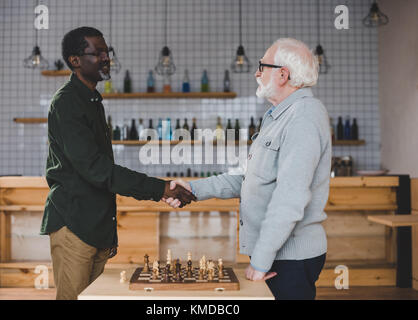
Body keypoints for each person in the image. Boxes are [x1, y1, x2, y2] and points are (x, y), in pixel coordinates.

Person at [164, 38, 331, 300]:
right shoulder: (279, 116)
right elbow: (248, 177)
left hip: (289, 259)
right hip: (278, 255)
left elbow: (290, 197)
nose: (257, 73)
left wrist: (262, 261)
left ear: (283, 74)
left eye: (262, 66)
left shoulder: (303, 117)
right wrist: (193, 189)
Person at [40, 26, 196, 300]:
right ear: (75, 60)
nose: (105, 58)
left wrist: (109, 235)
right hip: (74, 225)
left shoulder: (92, 101)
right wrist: (159, 189)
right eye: (97, 52)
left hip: (96, 228)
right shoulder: (67, 103)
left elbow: (100, 175)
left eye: (106, 51)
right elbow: (96, 170)